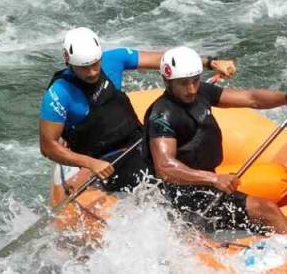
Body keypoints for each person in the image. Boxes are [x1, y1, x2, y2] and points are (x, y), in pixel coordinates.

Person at [38, 27, 236, 193]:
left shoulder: (113, 59)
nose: (92, 72)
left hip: (138, 140)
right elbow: (48, 147)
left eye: (95, 64)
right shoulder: (58, 95)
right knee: (159, 183)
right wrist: (90, 164)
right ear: (68, 61)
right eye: (84, 67)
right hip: (105, 159)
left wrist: (210, 62)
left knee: (187, 154)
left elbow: (165, 61)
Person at [145, 46, 287, 234]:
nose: (191, 89)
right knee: (266, 210)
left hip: (204, 186)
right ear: (167, 81)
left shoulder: (200, 92)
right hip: (180, 196)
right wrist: (213, 178)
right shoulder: (162, 115)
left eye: (195, 81)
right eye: (183, 83)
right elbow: (165, 167)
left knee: (269, 209)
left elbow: (251, 98)